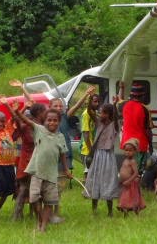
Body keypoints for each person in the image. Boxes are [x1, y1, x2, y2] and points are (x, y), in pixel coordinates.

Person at [5, 98, 71, 233]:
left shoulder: (60, 137)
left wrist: (66, 169)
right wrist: (18, 111)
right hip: (37, 172)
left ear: (59, 122)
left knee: (48, 202)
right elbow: (27, 120)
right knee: (34, 198)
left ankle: (43, 226)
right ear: (44, 121)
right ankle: (41, 219)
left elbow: (63, 154)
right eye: (49, 120)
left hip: (51, 175)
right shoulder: (39, 129)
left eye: (55, 120)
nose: (52, 122)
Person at [47, 88, 90, 223]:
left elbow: (76, 107)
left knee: (60, 187)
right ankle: (49, 213)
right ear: (49, 107)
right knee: (50, 187)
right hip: (51, 159)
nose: (59, 108)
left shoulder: (64, 117)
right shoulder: (46, 121)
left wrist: (86, 94)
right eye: (56, 106)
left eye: (61, 106)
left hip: (64, 158)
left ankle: (55, 213)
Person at [84, 103, 120, 216]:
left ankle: (110, 211)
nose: (100, 114)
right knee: (95, 180)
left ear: (109, 114)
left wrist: (114, 105)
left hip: (108, 156)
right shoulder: (99, 123)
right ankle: (94, 209)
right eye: (100, 112)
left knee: (108, 180)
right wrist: (89, 98)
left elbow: (116, 117)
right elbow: (90, 112)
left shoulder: (114, 125)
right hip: (98, 155)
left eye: (103, 112)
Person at [120, 83, 153, 174]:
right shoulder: (145, 109)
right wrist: (151, 145)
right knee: (137, 171)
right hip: (140, 145)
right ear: (142, 96)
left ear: (131, 95)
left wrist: (122, 88)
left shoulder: (124, 105)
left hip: (127, 144)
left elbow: (119, 101)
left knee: (128, 168)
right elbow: (148, 130)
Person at [0, 111, 17, 219]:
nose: (1, 123)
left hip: (10, 165)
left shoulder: (8, 130)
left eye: (3, 121)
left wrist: (7, 106)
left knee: (6, 191)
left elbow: (15, 117)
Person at [118, 138, 145, 216]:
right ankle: (125, 213)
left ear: (135, 151)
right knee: (125, 198)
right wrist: (120, 179)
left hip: (131, 184)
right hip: (125, 184)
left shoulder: (133, 162)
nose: (127, 152)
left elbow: (136, 173)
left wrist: (129, 181)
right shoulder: (125, 160)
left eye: (130, 150)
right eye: (126, 150)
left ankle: (136, 212)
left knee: (132, 199)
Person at [80, 91, 102, 184]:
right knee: (87, 170)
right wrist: (90, 150)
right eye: (94, 101)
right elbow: (85, 133)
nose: (97, 104)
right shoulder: (86, 114)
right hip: (87, 148)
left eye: (98, 102)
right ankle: (86, 190)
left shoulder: (94, 113)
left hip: (92, 146)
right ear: (89, 102)